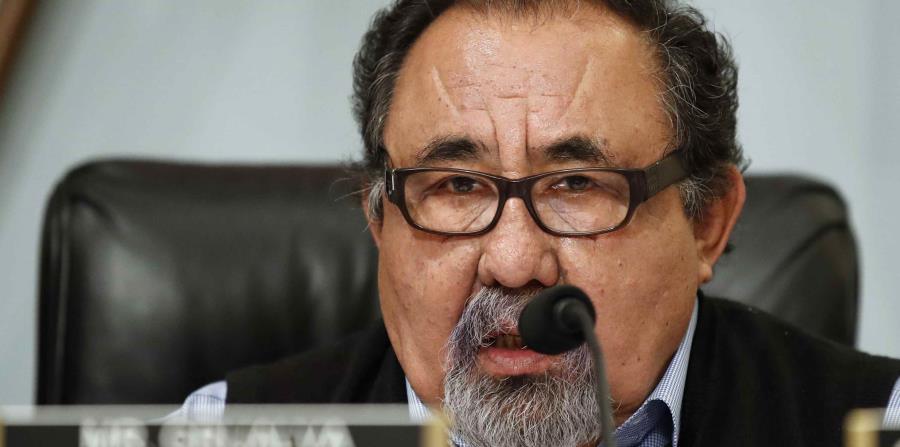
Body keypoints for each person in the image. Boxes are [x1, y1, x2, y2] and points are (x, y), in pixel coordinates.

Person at [179, 1, 900, 445]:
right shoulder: (224, 434)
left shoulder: (877, 424)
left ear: (706, 222)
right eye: (458, 185)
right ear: (379, 219)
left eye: (578, 184)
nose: (515, 261)